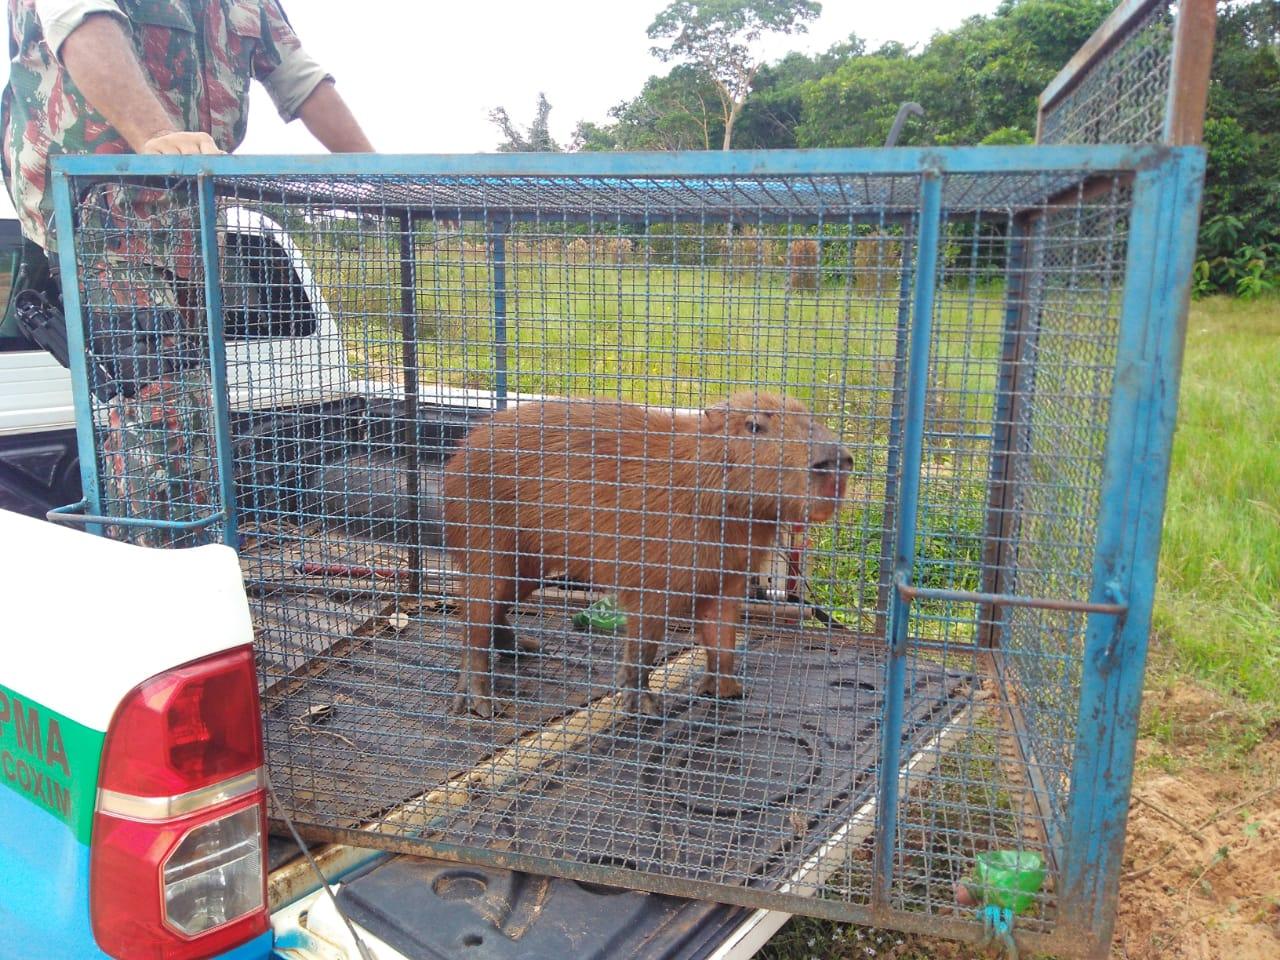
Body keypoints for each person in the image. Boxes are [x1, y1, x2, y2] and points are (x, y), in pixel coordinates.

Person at [2, 0, 373, 545]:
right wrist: (156, 137)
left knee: (197, 403)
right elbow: (82, 25)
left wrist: (373, 178)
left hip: (193, 212)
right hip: (100, 203)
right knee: (155, 408)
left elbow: (301, 80)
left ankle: (199, 557)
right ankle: (161, 571)